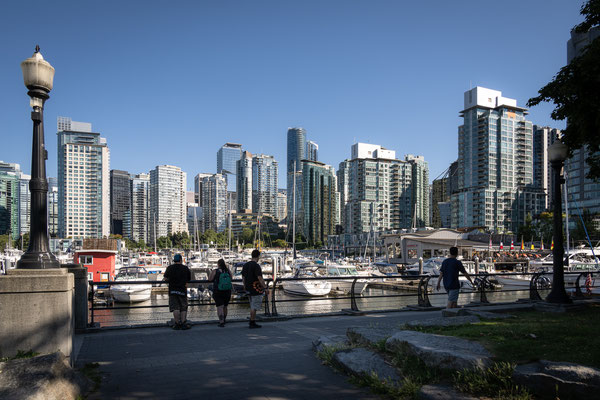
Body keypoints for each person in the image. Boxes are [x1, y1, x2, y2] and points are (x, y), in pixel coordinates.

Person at [164, 254, 192, 330]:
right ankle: (183, 323)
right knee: (183, 307)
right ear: (181, 260)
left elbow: (165, 278)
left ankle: (176, 324)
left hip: (173, 290)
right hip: (182, 290)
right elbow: (189, 279)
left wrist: (170, 280)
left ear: (174, 260)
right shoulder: (185, 268)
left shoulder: (170, 268)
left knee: (175, 307)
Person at [241, 249, 268, 328]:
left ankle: (252, 321)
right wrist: (265, 287)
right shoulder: (256, 266)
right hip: (255, 288)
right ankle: (252, 322)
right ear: (258, 256)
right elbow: (259, 278)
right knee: (254, 307)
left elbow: (243, 276)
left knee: (252, 305)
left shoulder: (246, 265)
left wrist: (244, 285)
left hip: (248, 288)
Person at [208, 258, 232, 327]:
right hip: (227, 291)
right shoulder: (228, 271)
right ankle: (224, 320)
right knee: (225, 306)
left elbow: (210, 279)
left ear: (218, 264)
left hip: (218, 291)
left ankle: (221, 322)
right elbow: (231, 278)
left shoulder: (215, 271)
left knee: (220, 307)